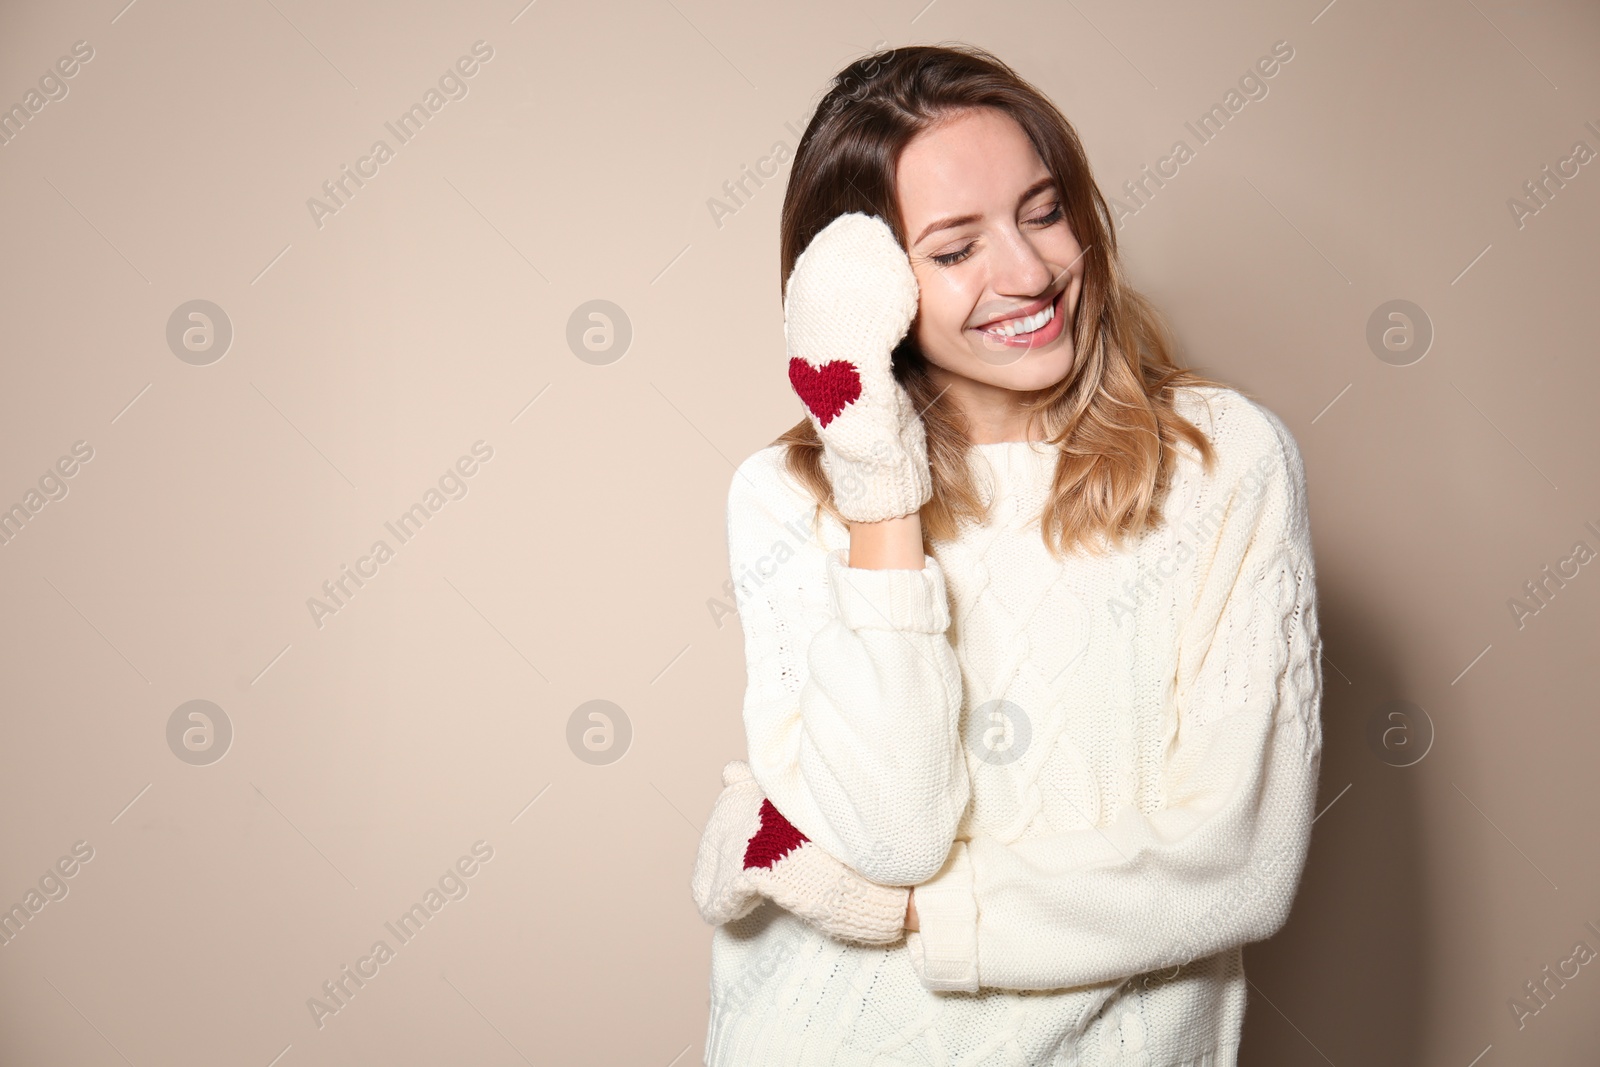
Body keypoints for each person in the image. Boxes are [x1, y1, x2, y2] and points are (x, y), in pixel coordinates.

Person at [690, 42, 1323, 1067]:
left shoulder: (1224, 462)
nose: (1029, 273)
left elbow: (1238, 863)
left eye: (1042, 211)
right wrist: (877, 477)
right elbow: (895, 824)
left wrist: (907, 913)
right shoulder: (787, 497)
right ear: (865, 287)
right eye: (953, 250)